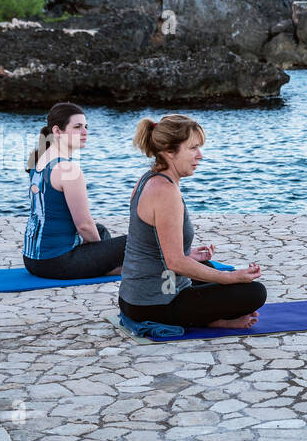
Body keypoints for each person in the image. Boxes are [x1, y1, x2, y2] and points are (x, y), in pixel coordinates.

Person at [118, 114, 266, 328]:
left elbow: (157, 248)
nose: (200, 156)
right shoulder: (165, 192)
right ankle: (213, 320)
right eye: (193, 148)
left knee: (206, 266)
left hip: (139, 296)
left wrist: (190, 255)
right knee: (253, 292)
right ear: (169, 151)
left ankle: (209, 312)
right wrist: (230, 278)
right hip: (156, 302)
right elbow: (175, 263)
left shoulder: (148, 179)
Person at [23, 102, 127, 279]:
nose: (85, 132)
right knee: (139, 241)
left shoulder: (40, 160)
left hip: (32, 260)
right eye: (77, 127)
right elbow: (84, 226)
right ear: (57, 131)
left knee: (99, 230)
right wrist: (102, 253)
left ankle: (108, 267)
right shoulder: (68, 169)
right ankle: (113, 269)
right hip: (56, 263)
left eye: (86, 127)